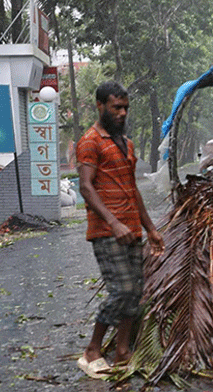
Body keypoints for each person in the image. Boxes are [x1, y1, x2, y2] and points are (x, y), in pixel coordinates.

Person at [75, 81, 165, 379]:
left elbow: (132, 188)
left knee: (135, 293)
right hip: (106, 232)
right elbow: (86, 187)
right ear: (100, 106)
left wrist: (150, 228)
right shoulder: (90, 141)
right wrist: (114, 222)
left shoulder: (126, 144)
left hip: (131, 231)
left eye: (125, 107)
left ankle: (123, 351)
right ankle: (91, 351)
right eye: (116, 107)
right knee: (121, 291)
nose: (122, 113)